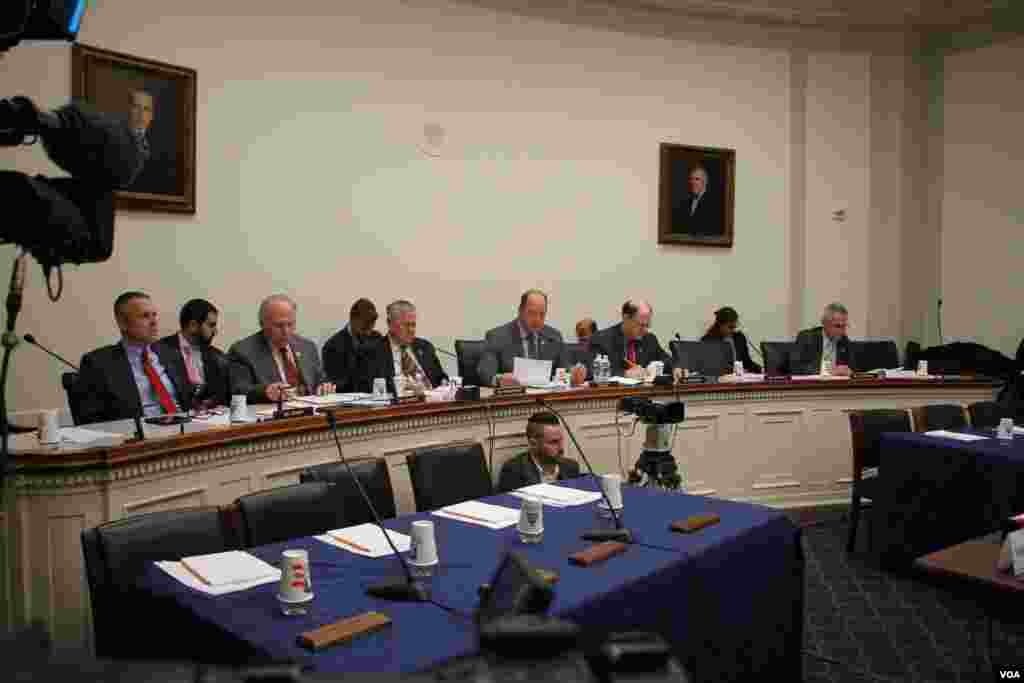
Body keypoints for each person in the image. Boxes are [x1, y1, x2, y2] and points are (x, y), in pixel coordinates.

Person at [74, 291, 189, 424]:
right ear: (122, 323)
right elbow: (89, 421)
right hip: (138, 436)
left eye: (155, 315)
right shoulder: (98, 363)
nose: (154, 322)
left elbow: (188, 401)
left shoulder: (171, 354)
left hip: (183, 428)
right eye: (145, 316)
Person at [227, 294, 334, 403]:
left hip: (311, 413)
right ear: (262, 324)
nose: (286, 331)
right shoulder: (243, 351)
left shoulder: (307, 347)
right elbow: (238, 389)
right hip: (273, 414)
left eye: (290, 324)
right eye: (279, 325)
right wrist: (265, 392)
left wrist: (324, 386)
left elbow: (320, 380)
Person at [477, 289, 584, 387]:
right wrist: (499, 380)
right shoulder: (497, 337)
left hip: (545, 398)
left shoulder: (554, 336)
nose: (537, 319)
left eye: (542, 314)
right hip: (513, 399)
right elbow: (485, 372)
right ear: (520, 311)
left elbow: (564, 368)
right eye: (532, 313)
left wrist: (573, 374)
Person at [357, 300, 447, 395]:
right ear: (390, 324)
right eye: (406, 325)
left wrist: (445, 385)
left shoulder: (425, 347)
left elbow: (441, 379)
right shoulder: (372, 352)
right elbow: (369, 389)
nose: (411, 330)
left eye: (413, 325)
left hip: (431, 405)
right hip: (396, 407)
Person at [155, 298, 230, 408]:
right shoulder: (159, 351)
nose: (215, 331)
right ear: (193, 325)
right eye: (211, 325)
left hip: (210, 418)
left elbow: (223, 394)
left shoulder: (217, 356)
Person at [497, 412, 581, 492]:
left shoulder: (571, 467)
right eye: (553, 442)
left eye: (561, 440)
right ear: (533, 443)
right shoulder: (514, 471)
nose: (561, 448)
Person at [590, 300, 675, 379]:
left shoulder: (649, 339)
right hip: (614, 393)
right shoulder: (602, 339)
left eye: (647, 325)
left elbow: (667, 360)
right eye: (641, 325)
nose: (645, 330)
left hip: (644, 392)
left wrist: (676, 368)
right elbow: (591, 371)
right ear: (626, 318)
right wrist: (625, 374)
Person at [125, 88, 178, 196]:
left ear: (152, 115)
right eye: (136, 107)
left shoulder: (163, 147)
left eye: (146, 109)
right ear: (128, 110)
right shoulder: (116, 138)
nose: (141, 114)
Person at [322, 298, 381, 392]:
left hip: (376, 395)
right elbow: (336, 383)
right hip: (348, 399)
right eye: (365, 326)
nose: (368, 332)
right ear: (353, 319)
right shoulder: (333, 346)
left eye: (372, 325)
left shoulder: (377, 338)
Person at [791, 303, 855, 376]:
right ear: (824, 323)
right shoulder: (807, 338)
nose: (842, 331)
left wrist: (849, 371)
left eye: (844, 326)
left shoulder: (844, 341)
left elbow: (853, 368)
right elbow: (796, 367)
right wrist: (827, 372)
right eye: (837, 326)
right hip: (813, 385)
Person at [701, 307, 761, 374]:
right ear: (720, 325)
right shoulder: (708, 340)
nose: (732, 330)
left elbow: (747, 361)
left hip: (739, 378)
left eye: (734, 327)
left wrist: (761, 369)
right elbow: (707, 366)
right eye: (730, 327)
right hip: (719, 378)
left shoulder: (739, 338)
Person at [672, 165, 723, 237]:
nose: (693, 182)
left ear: (705, 182)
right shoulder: (684, 204)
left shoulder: (714, 204)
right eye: (691, 179)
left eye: (697, 179)